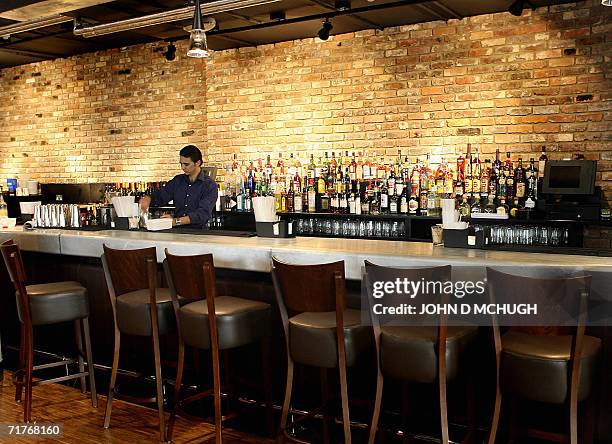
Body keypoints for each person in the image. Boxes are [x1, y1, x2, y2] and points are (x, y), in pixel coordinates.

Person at [140, 145, 218, 229]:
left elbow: (202, 214)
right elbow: (160, 196)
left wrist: (174, 221)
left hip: (199, 234)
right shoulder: (177, 181)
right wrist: (148, 198)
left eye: (186, 164)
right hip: (177, 233)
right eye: (181, 164)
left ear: (198, 163)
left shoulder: (209, 185)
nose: (182, 167)